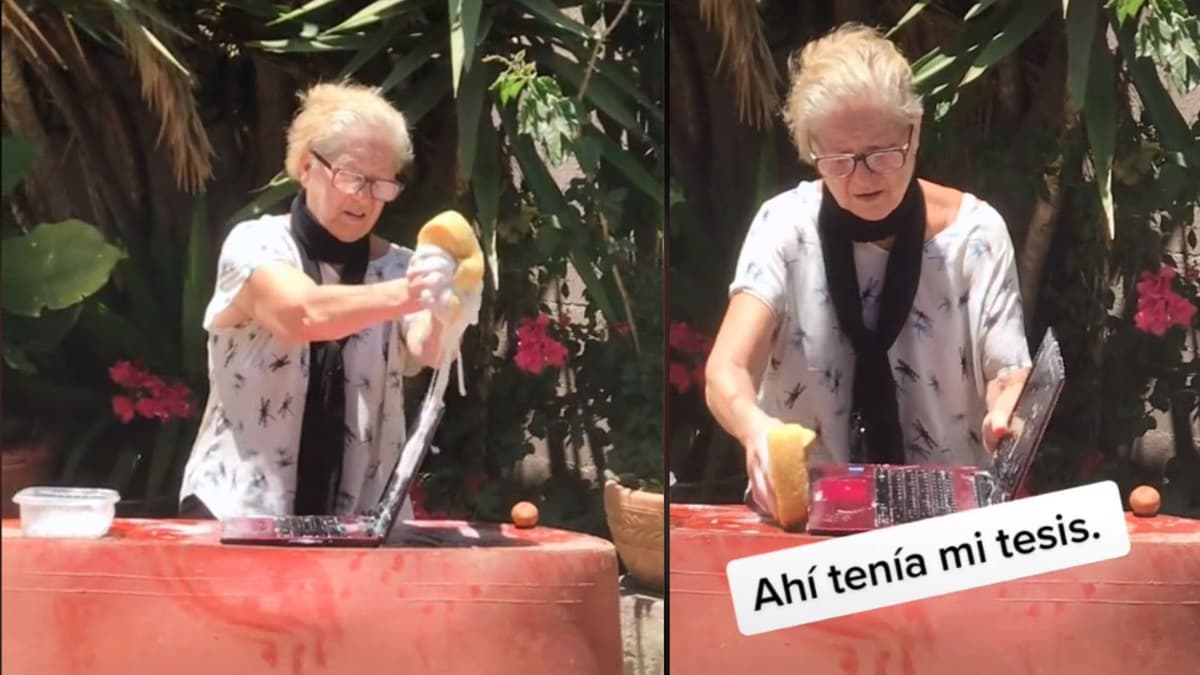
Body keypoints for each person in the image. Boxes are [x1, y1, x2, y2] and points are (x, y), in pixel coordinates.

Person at [704, 24, 1032, 519]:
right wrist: (755, 430)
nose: (861, 179)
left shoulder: (978, 235)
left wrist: (1007, 411)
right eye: (838, 160)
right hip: (807, 526)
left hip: (949, 529)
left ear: (915, 130)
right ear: (811, 150)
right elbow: (725, 370)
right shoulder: (783, 226)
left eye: (882, 154)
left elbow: (1008, 372)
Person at [178, 81, 452, 520]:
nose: (365, 198)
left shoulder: (401, 266)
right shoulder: (255, 243)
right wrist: (414, 291)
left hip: (359, 521)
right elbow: (301, 313)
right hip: (239, 514)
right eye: (352, 177)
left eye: (381, 185)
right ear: (307, 167)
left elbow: (429, 350)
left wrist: (448, 301)